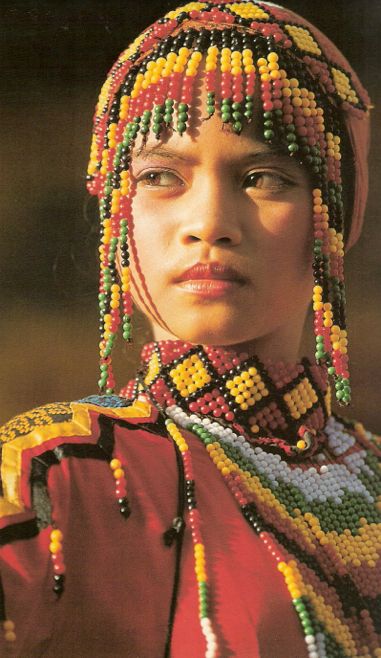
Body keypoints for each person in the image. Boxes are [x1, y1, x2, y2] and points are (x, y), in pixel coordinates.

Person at [0, 1, 380, 656]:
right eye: (159, 177)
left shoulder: (369, 475)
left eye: (262, 177)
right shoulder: (53, 475)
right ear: (118, 220)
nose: (207, 221)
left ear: (334, 220)